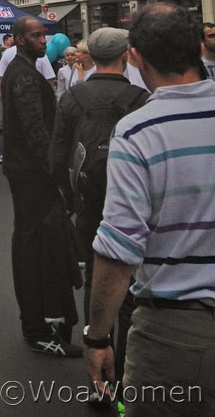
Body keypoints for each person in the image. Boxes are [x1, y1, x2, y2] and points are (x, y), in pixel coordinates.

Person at [85, 3, 215, 415]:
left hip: (177, 331)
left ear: (136, 57)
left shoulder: (139, 130)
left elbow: (120, 246)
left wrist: (98, 336)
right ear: (198, 46)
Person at [49, 27, 148, 384]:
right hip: (132, 196)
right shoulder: (140, 98)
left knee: (97, 272)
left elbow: (58, 153)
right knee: (132, 275)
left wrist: (68, 196)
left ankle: (99, 366)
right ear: (126, 55)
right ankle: (125, 366)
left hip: (89, 196)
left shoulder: (74, 97)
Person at [2, 15, 82, 356]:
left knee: (33, 245)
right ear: (19, 39)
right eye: (36, 36)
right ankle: (37, 326)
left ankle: (39, 320)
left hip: (29, 173)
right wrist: (58, 177)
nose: (43, 41)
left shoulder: (26, 71)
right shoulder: (23, 76)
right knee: (34, 248)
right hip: (33, 176)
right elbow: (36, 131)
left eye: (44, 35)